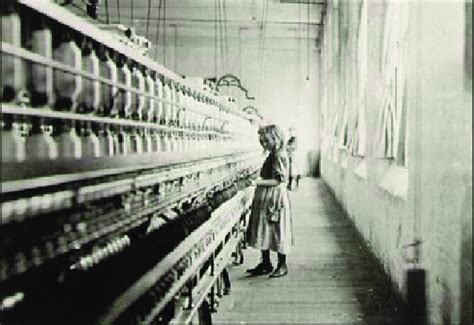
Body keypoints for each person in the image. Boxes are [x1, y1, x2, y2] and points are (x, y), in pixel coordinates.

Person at [246, 124, 293, 278]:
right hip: (266, 196)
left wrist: (255, 182)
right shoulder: (273, 153)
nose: (264, 144)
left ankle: (282, 265)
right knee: (264, 229)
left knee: (277, 230)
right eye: (262, 141)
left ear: (276, 138)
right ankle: (266, 263)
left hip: (274, 197)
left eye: (266, 141)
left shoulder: (280, 154)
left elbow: (278, 180)